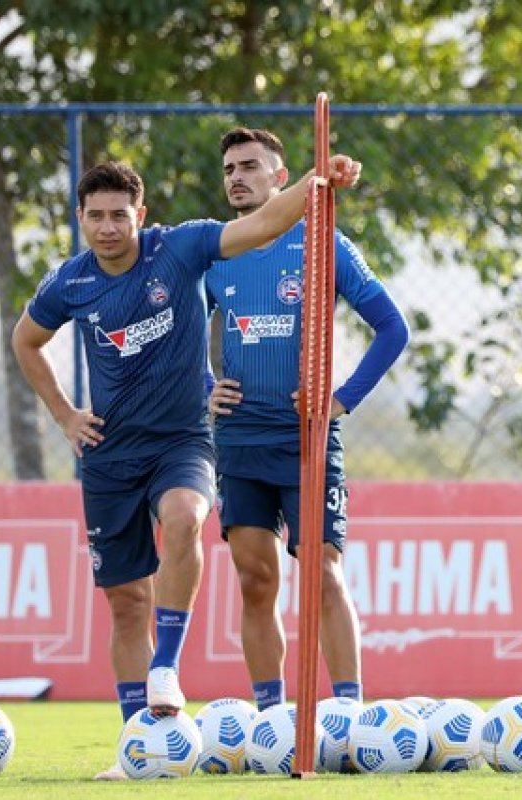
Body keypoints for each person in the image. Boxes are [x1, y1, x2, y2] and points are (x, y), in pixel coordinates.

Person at [10, 152, 361, 781]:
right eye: (97, 216)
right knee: (124, 604)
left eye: (121, 215)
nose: (110, 226)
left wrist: (316, 181)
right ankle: (138, 746)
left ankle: (166, 665)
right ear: (81, 220)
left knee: (184, 517)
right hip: (108, 455)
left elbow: (262, 226)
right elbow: (25, 341)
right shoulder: (70, 282)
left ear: (140, 216)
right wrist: (65, 415)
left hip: (182, 441)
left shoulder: (180, 248)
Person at [204, 127, 408, 712]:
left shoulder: (323, 243)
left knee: (320, 574)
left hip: (309, 438)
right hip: (240, 438)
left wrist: (342, 399)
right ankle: (270, 715)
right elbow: (182, 331)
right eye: (228, 170)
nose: (236, 177)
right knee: (254, 578)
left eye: (249, 166)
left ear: (280, 177)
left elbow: (393, 328)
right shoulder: (217, 253)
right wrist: (205, 386)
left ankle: (347, 710)